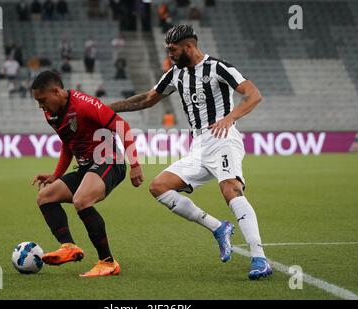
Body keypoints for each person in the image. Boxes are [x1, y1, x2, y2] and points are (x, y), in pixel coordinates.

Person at [109, 25, 272, 280]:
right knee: (159, 187)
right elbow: (148, 98)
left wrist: (229, 119)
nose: (170, 55)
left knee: (230, 188)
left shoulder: (219, 67)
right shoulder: (175, 74)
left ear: (188, 46)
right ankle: (218, 228)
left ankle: (259, 258)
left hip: (223, 139)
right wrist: (109, 109)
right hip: (199, 146)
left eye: (173, 50)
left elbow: (253, 95)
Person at [31, 71, 143, 277]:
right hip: (86, 167)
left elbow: (122, 126)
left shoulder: (85, 105)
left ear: (56, 91)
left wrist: (135, 164)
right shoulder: (51, 114)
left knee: (81, 200)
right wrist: (57, 175)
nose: (41, 106)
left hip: (110, 161)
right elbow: (68, 144)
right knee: (45, 197)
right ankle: (68, 246)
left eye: (42, 100)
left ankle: (108, 263)